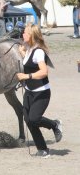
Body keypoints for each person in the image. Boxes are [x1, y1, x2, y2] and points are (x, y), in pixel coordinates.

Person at [16, 23, 63, 158]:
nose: (22, 34)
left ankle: (55, 124)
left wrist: (26, 76)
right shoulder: (30, 49)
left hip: (41, 92)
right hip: (29, 91)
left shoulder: (39, 52)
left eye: (25, 32)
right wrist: (23, 52)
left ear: (31, 36)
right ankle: (42, 149)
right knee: (28, 120)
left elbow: (44, 71)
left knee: (34, 119)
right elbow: (30, 62)